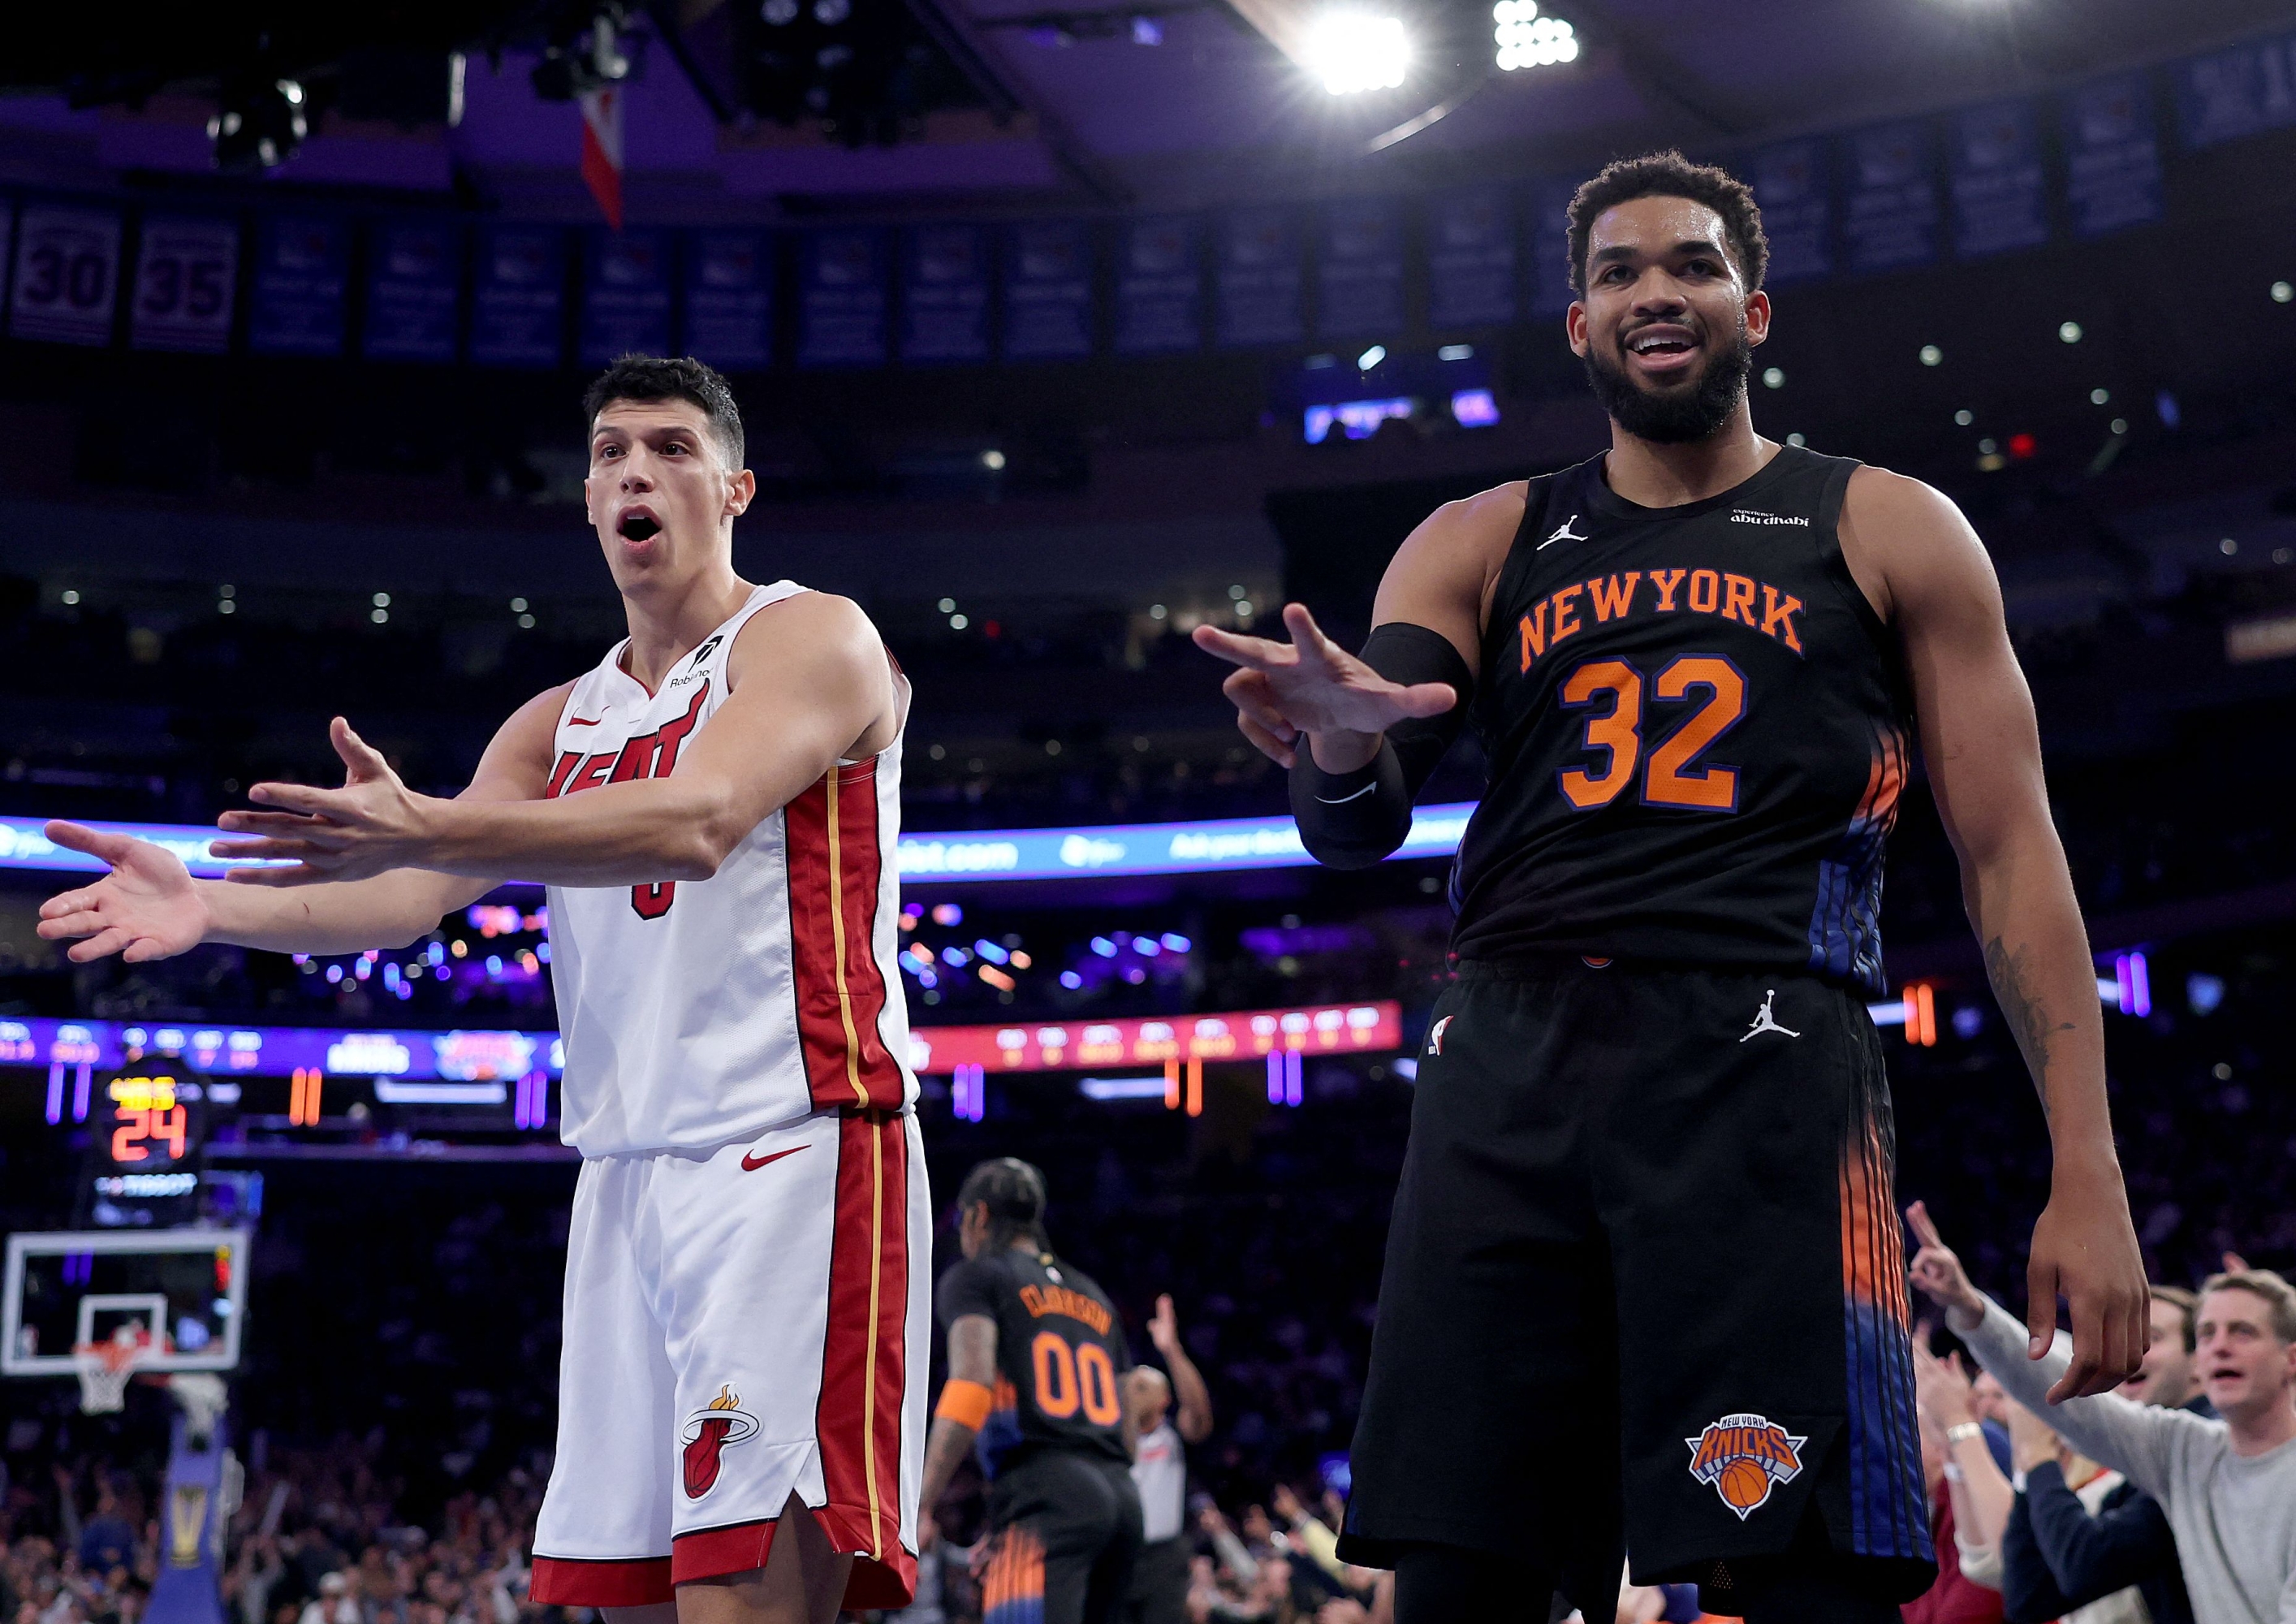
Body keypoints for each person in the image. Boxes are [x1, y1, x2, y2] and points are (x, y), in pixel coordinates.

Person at [1195, 149, 2148, 1623]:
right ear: (1576, 328)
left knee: (1802, 1578)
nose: (1656, 292)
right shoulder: (1477, 537)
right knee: (1459, 1584)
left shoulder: (1886, 527)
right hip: (1508, 1064)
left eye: (1690, 265)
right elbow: (1358, 807)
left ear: (1752, 310)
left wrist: (2082, 1167)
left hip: (1766, 1065)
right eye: (1618, 274)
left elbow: (2008, 855)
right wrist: (1337, 733)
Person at [36, 355, 927, 1624]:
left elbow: (701, 818)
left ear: (735, 488)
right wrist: (212, 906)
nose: (636, 470)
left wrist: (435, 829)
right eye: (613, 450)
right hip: (622, 1176)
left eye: (672, 449)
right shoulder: (553, 721)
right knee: (636, 1603)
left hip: (793, 1152)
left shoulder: (808, 633)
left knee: (747, 1605)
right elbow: (408, 901)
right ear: (584, 499)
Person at [1908, 1206, 2296, 1623]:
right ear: (2199, 1360)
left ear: (2292, 1359)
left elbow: (2079, 1567)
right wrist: (1969, 1308)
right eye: (2208, 1333)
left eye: (2243, 1331)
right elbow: (2065, 1396)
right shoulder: (2184, 1448)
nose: (2219, 1346)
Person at [918, 1160, 1143, 1624]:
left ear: (978, 1216)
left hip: (1044, 1496)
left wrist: (920, 1503)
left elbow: (972, 1385)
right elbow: (1128, 1427)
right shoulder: (1094, 1295)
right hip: (1122, 1501)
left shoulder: (978, 1276)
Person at [1998, 1284, 2203, 1624]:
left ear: (2200, 1361)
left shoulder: (2204, 1452)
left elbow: (2085, 1567)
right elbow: (2030, 1599)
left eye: (2151, 1337)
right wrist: (2029, 1469)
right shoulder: (2136, 1473)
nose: (2128, 1353)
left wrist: (2038, 1459)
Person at [1124, 1296, 1215, 1624]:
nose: (1134, 1391)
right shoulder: (1111, 1437)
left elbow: (1200, 1415)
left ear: (1164, 1399)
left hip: (1163, 1557)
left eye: (1143, 1386)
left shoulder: (1173, 1437)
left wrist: (1171, 1348)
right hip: (1118, 1555)